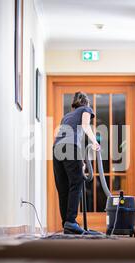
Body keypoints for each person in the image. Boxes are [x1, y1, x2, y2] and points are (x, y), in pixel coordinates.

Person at [53, 91, 101, 234]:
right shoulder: (86, 109)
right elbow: (86, 127)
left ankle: (67, 224)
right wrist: (95, 142)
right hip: (69, 147)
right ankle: (71, 221)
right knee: (77, 181)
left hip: (56, 149)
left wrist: (80, 160)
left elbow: (70, 137)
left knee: (63, 187)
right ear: (86, 103)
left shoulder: (66, 117)